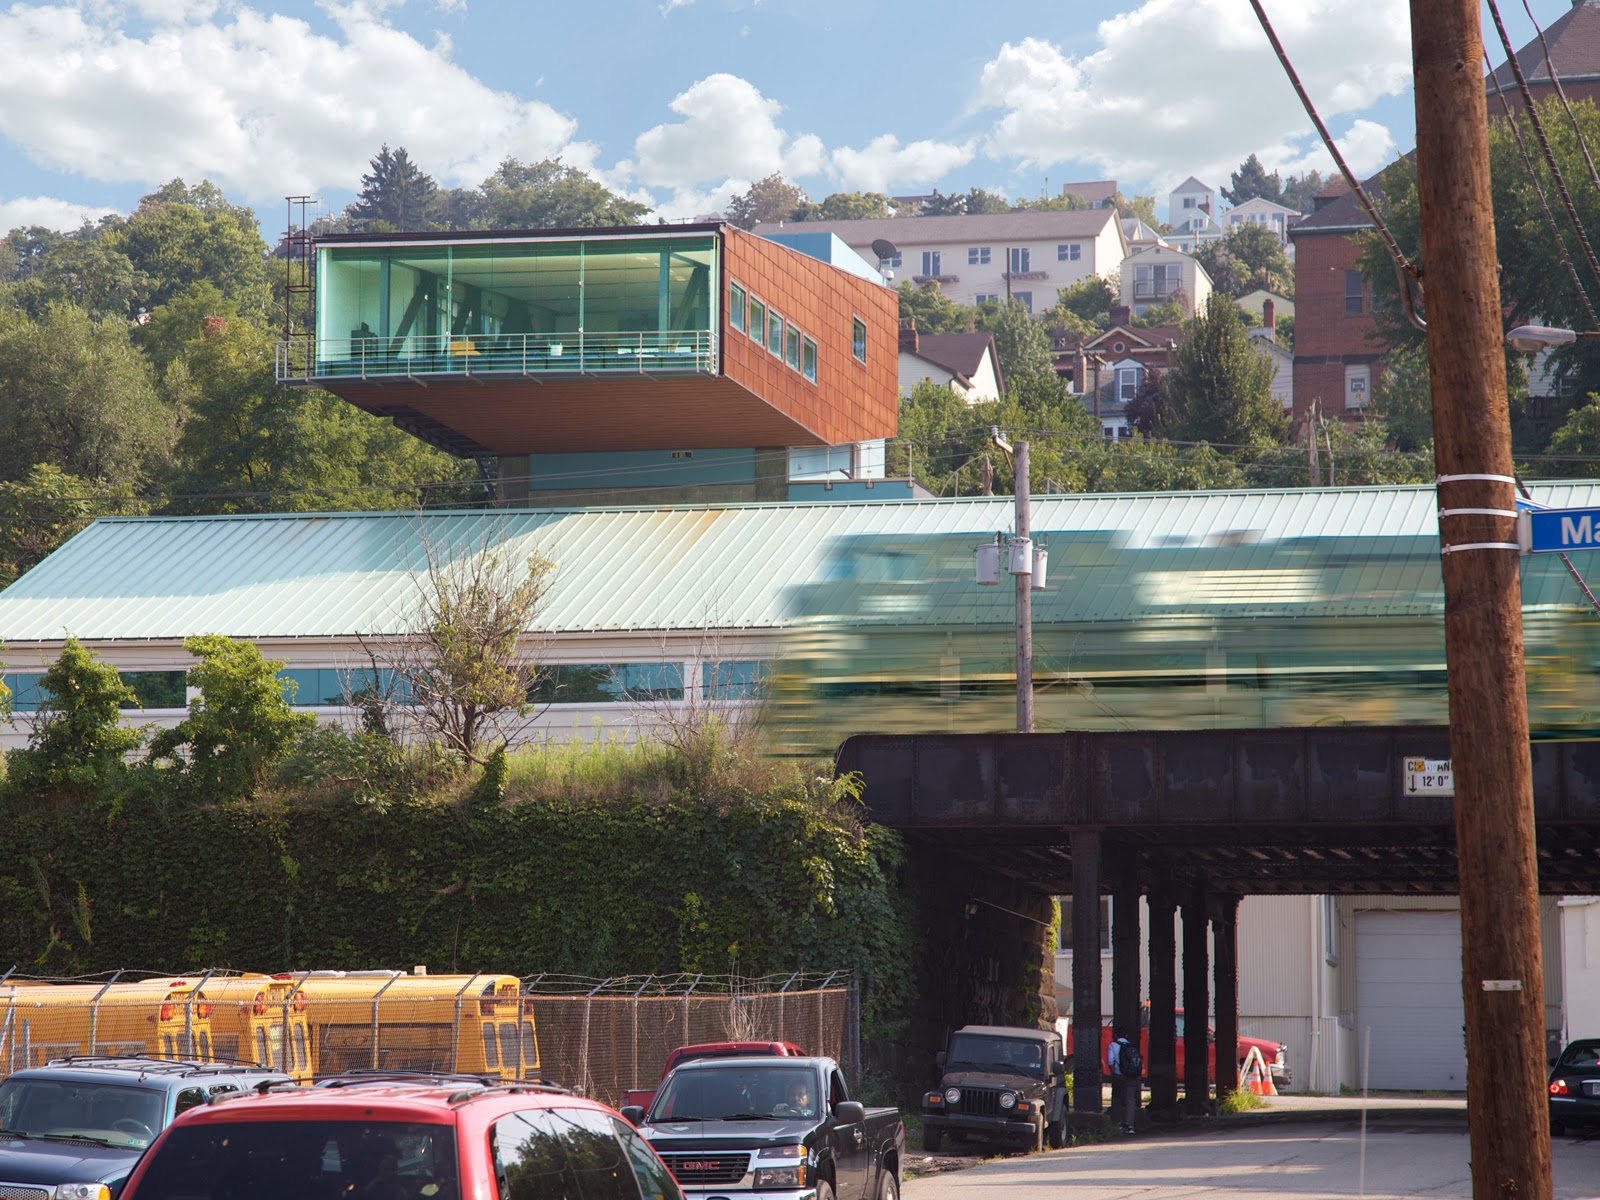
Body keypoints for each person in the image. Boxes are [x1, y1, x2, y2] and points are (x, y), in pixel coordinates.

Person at [1107, 1034, 1140, 1134]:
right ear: (1126, 1036)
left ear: (1115, 1035)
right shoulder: (1132, 1046)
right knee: (1130, 1100)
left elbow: (1110, 1061)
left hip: (1119, 1076)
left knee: (1117, 1099)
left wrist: (1114, 1074)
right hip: (1131, 1076)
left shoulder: (1112, 1045)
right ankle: (1130, 1126)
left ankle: (1117, 1124)